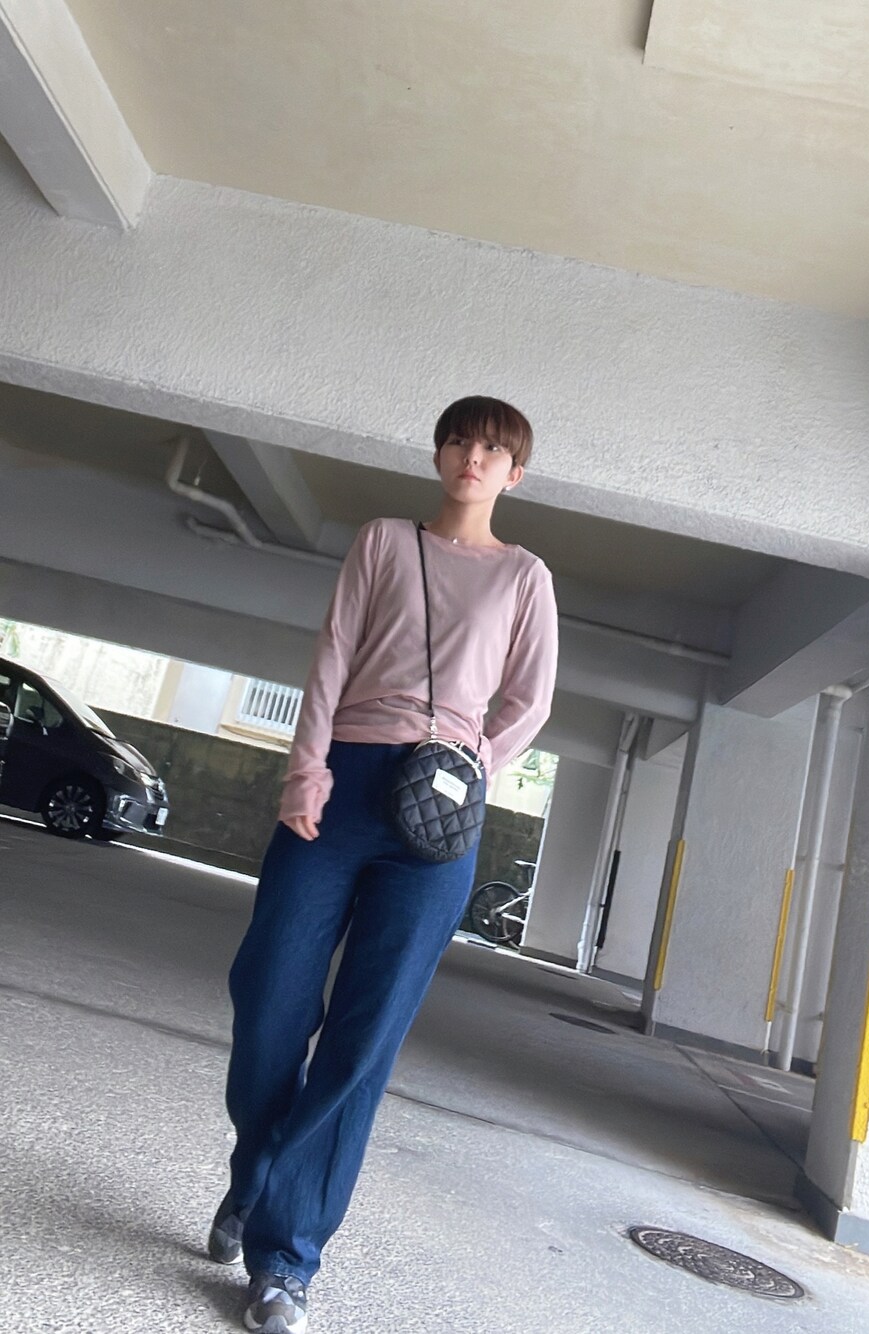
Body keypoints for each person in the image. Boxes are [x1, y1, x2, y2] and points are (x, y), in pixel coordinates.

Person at [209, 396, 559, 1333]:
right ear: (439, 453)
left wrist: (472, 766)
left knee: (365, 1037)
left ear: (515, 474)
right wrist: (306, 768)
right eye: (460, 441)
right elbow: (333, 655)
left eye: (494, 450)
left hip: (439, 813)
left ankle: (285, 1259)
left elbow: (529, 700)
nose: (473, 458)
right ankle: (258, 1174)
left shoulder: (524, 575)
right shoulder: (382, 541)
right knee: (269, 993)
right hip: (343, 782)